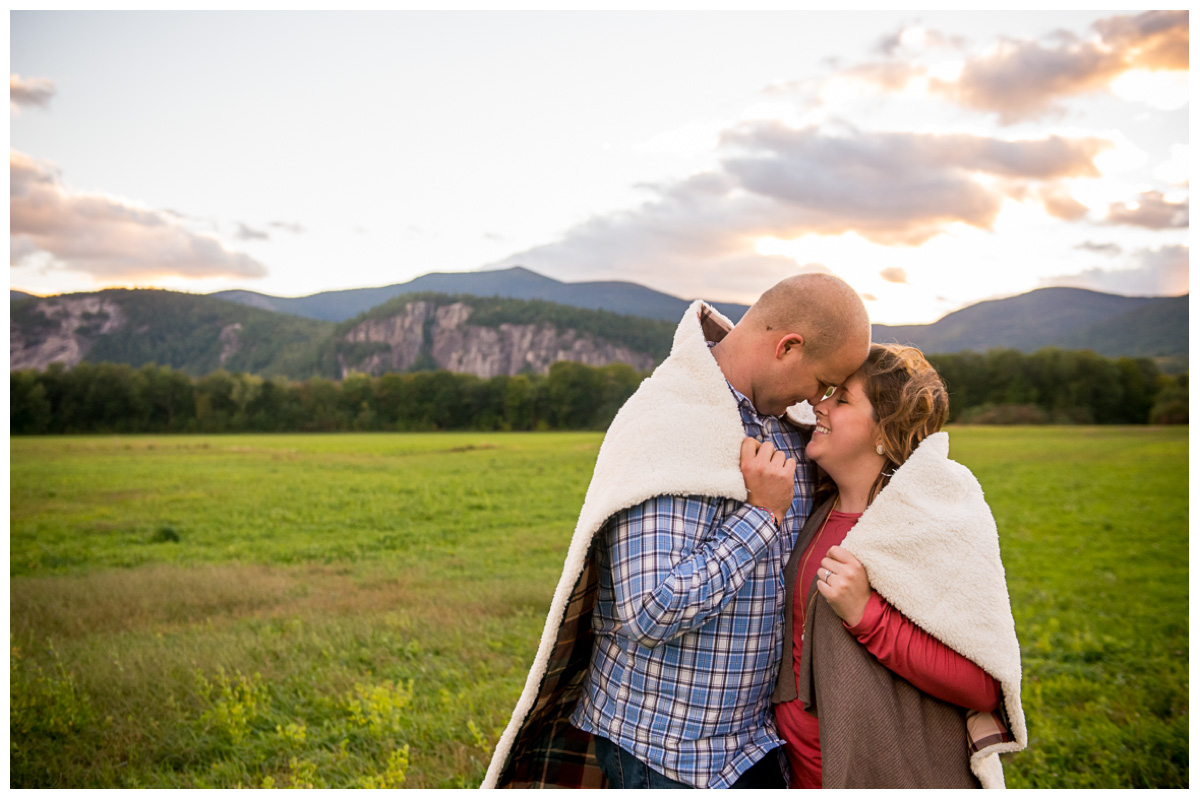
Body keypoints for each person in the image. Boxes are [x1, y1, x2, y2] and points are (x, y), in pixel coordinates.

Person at [481, 273, 871, 789]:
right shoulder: (669, 421)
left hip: (752, 739)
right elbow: (650, 609)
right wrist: (761, 517)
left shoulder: (787, 420)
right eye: (822, 382)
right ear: (788, 347)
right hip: (667, 750)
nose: (818, 400)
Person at [766, 343, 1028, 788]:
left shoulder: (926, 522)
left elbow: (984, 685)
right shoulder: (814, 510)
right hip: (805, 773)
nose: (820, 405)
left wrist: (868, 615)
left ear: (883, 431)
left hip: (890, 775)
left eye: (842, 398)